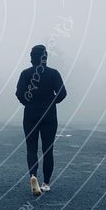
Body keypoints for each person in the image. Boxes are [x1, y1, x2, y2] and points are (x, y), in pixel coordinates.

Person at [15, 44, 67, 196]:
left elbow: (19, 93)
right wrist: (52, 102)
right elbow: (62, 93)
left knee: (31, 148)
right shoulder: (53, 73)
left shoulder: (25, 73)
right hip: (49, 115)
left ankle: (33, 176)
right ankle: (46, 183)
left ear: (32, 58)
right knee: (47, 149)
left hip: (30, 114)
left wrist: (27, 102)